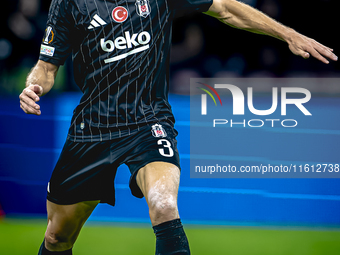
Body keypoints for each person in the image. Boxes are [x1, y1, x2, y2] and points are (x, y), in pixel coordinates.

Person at [19, 0, 337, 254]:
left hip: (147, 121)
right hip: (92, 128)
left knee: (164, 203)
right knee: (58, 237)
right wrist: (33, 86)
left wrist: (288, 34)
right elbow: (47, 67)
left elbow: (225, 7)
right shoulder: (69, 3)